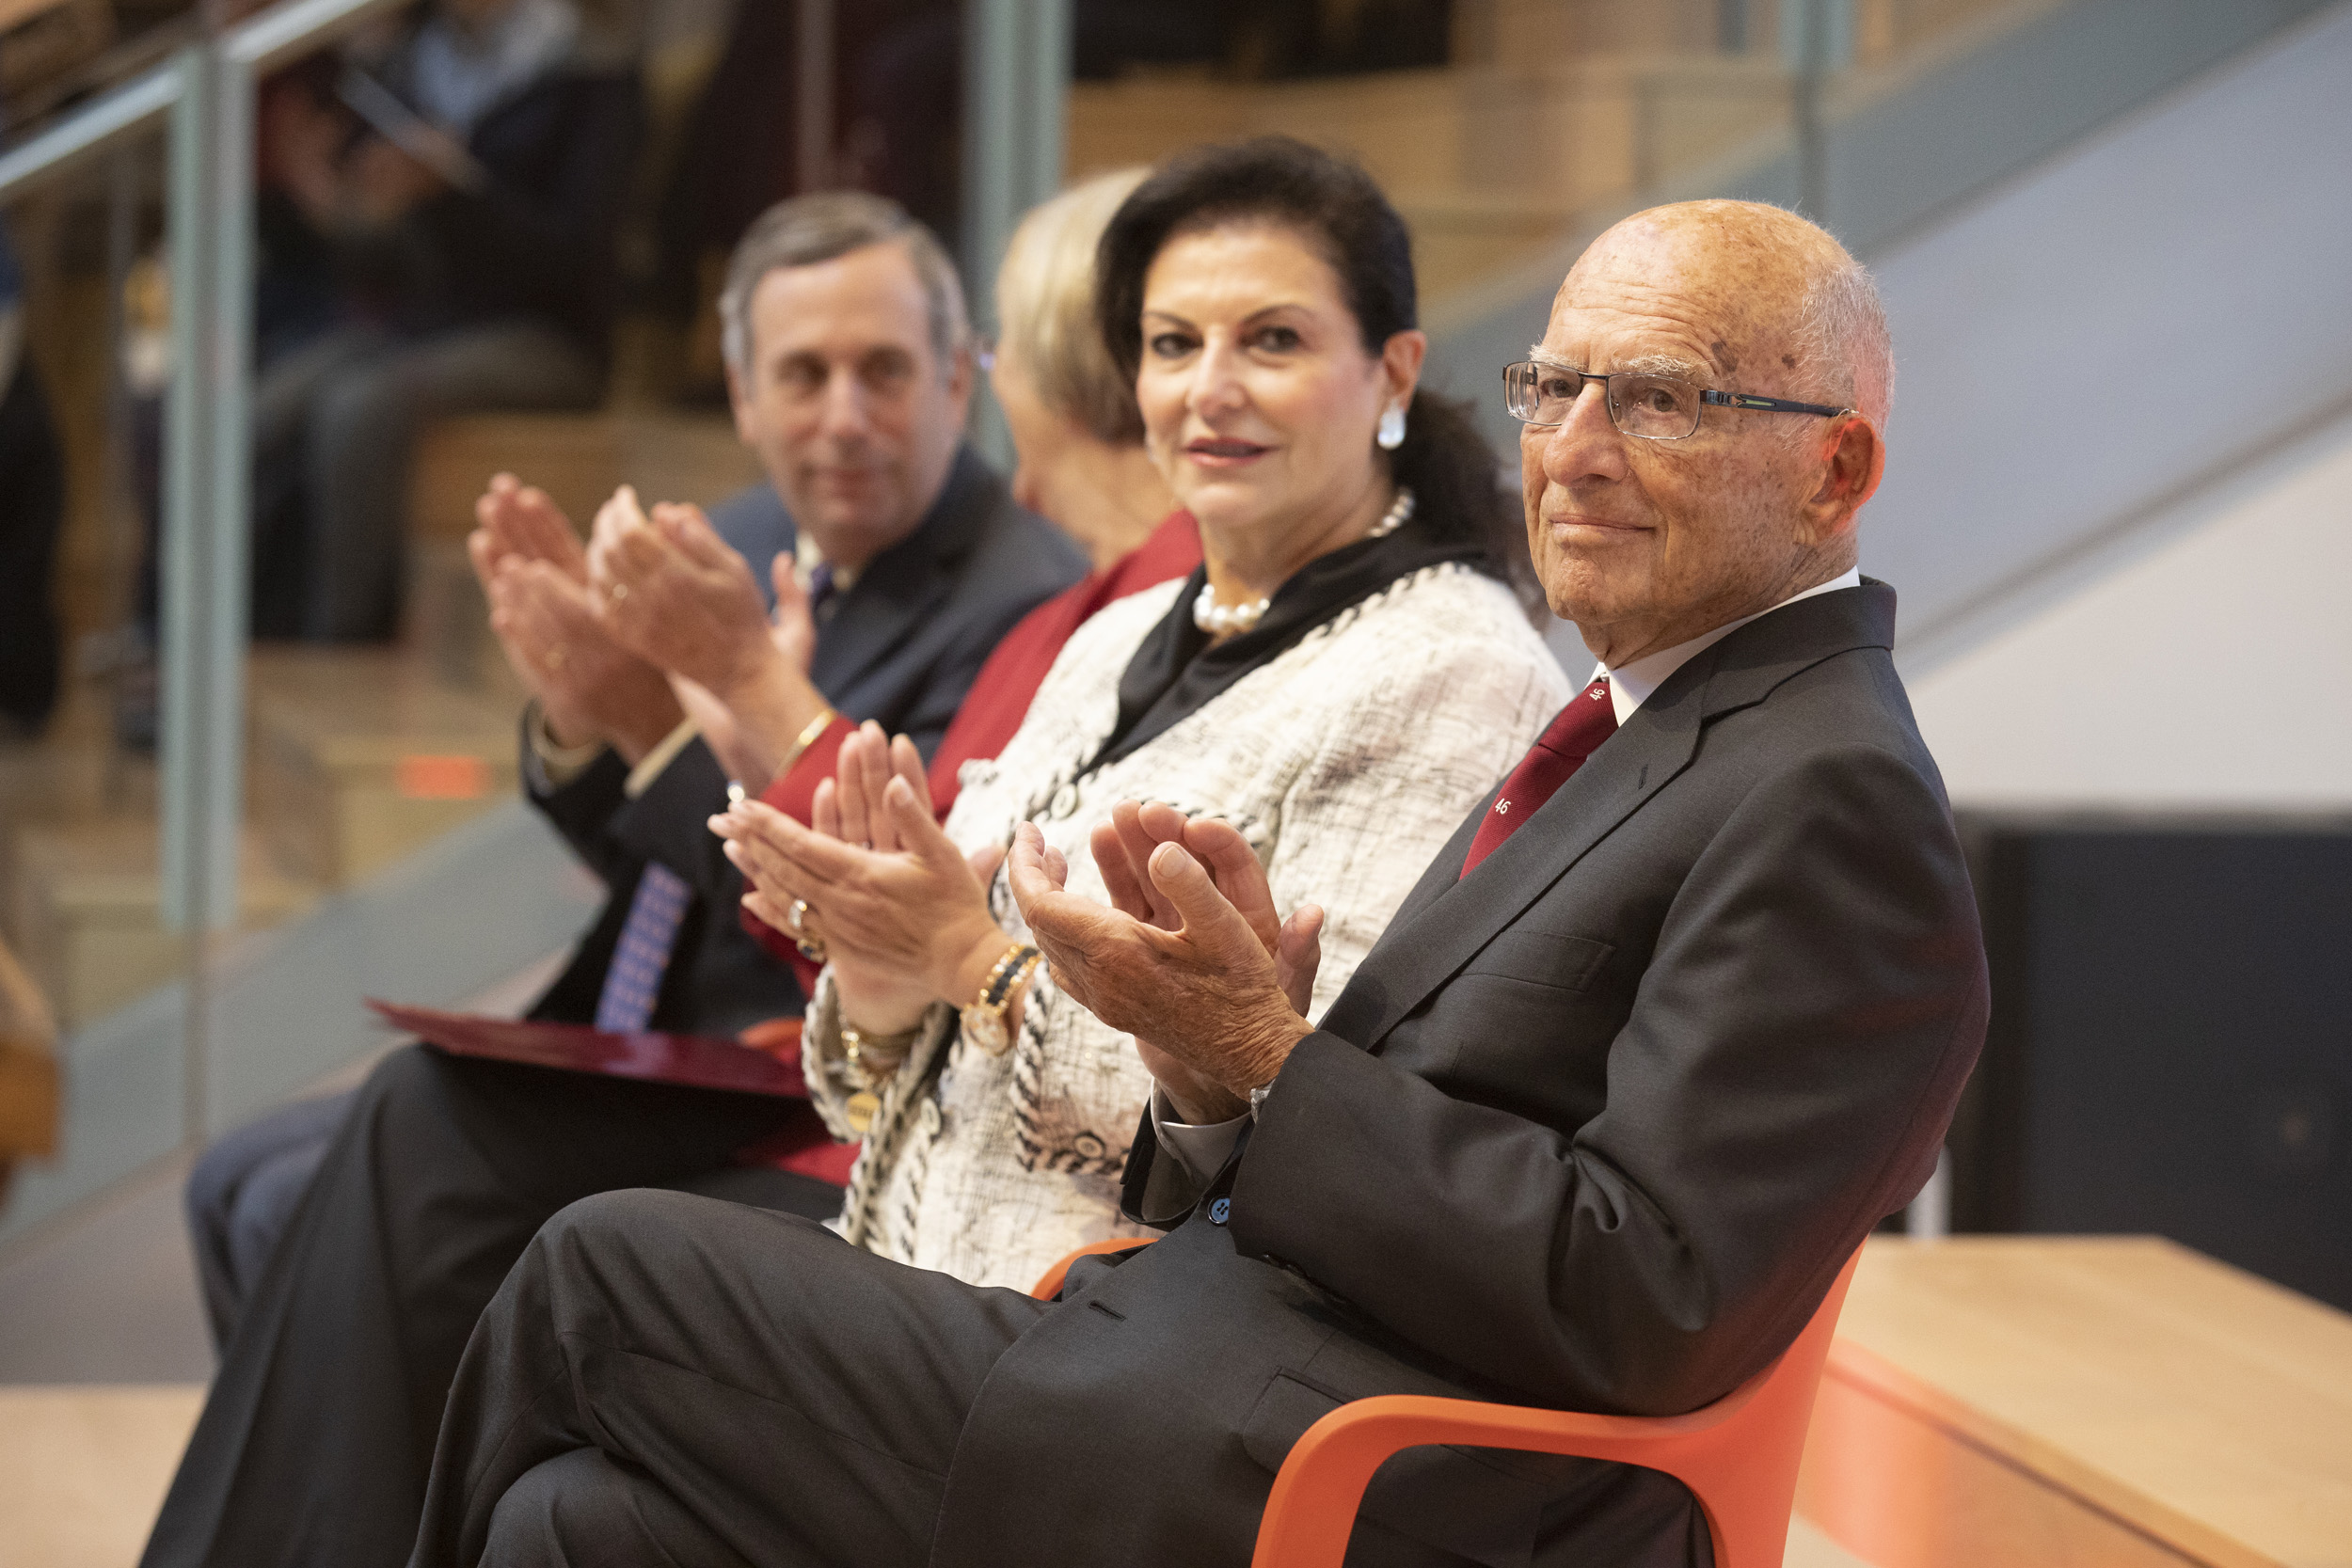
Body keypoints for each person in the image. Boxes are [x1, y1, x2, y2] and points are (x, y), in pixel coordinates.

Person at [407, 197, 1991, 1568]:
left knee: (599, 1265)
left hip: (1350, 1480)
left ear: (1836, 467)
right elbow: (1425, 1132)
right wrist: (1209, 1068)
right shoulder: (1654, 724)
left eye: (1658, 400)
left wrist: (1267, 1057)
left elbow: (1645, 1291)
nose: (1572, 452)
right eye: (1554, 386)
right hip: (1184, 1366)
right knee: (574, 1522)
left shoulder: (1826, 788)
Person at [146, 193, 1081, 1568]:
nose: (844, 416)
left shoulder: (1022, 596)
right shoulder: (749, 532)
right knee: (242, 1179)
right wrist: (592, 724)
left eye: (883, 371)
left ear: (959, 378)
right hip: (674, 1024)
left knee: (385, 1144)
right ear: (742, 396)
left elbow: (862, 923)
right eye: (802, 376)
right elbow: (657, 855)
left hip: (799, 1062)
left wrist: (681, 731)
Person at [707, 136, 1566, 1294]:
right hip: (913, 1283)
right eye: (1172, 345)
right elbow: (871, 1090)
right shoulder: (1120, 628)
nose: (1208, 388)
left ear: (1394, 370)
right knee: (570, 1425)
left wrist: (974, 962)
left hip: (1109, 1335)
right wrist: (882, 969)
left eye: (1272, 339)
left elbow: (1324, 1115)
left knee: (592, 1266)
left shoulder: (1459, 669)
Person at [244, 0, 641, 640]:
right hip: (427, 325)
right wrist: (333, 211)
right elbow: (390, 270)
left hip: (544, 335)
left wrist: (454, 193)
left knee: (358, 409)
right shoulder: (413, 70)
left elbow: (573, 260)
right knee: (267, 408)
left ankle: (339, 639)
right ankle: (247, 628)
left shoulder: (586, 76)